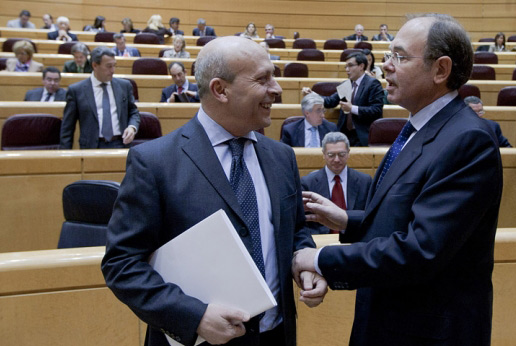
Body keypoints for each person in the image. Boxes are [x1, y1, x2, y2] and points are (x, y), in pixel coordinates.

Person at [101, 36, 326, 346]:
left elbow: (296, 230)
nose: (277, 89)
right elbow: (122, 264)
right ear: (221, 90)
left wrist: (303, 264)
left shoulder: (282, 156)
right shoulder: (154, 162)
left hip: (276, 336)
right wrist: (193, 317)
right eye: (263, 79)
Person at [293, 14, 502, 346]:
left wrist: (319, 258)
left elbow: (421, 249)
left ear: (441, 70)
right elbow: (404, 214)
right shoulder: (423, 128)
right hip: (391, 320)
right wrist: (348, 220)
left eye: (400, 57)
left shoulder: (467, 140)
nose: (385, 66)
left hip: (428, 332)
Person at [60, 46, 140, 149]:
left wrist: (132, 127)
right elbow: (67, 127)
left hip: (121, 144)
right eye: (108, 66)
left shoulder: (124, 86)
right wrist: (66, 155)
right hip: (91, 147)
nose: (113, 70)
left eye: (114, 65)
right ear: (95, 65)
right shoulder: (77, 90)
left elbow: (133, 112)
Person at [302, 52, 384, 146]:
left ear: (361, 66)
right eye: (346, 67)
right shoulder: (347, 84)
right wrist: (312, 95)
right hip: (344, 134)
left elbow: (376, 110)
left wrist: (352, 108)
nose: (347, 70)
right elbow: (330, 102)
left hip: (362, 134)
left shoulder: (373, 84)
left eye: (350, 66)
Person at [300, 131, 371, 235]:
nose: (337, 160)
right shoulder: (307, 183)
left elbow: (368, 217)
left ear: (348, 153)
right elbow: (303, 222)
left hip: (354, 240)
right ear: (323, 154)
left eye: (341, 154)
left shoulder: (365, 181)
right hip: (321, 240)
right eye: (331, 155)